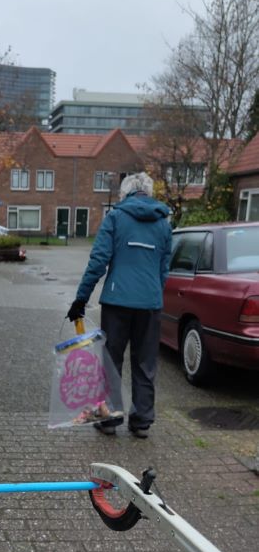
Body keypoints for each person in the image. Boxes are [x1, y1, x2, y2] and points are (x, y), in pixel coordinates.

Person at [67, 172, 172, 439]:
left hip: (117, 302)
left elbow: (98, 261)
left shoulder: (115, 217)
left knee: (111, 361)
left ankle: (110, 419)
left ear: (125, 193)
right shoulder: (164, 223)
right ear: (148, 192)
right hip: (150, 303)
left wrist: (81, 299)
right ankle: (141, 422)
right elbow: (164, 268)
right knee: (146, 361)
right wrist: (153, 293)